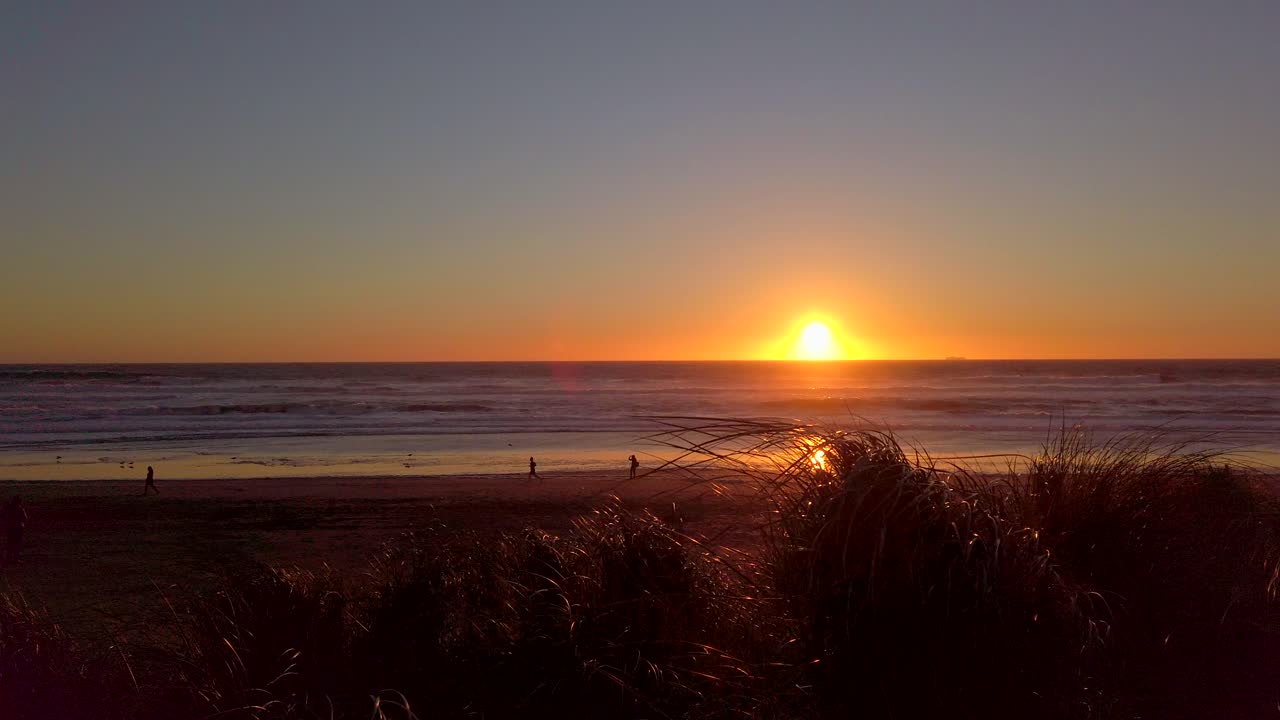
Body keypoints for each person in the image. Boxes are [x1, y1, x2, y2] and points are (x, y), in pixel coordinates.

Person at [3, 496, 27, 565]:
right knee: (17, 544)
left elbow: (3, 516)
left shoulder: (8, 508)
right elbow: (25, 518)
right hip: (18, 528)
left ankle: (9, 558)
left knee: (10, 543)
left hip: (11, 528)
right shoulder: (20, 509)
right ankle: (15, 558)